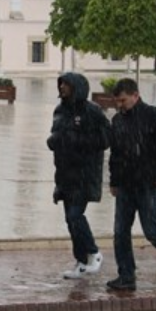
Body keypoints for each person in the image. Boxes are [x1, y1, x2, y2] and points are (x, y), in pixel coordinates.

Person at [105, 78, 156, 292]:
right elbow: (115, 154)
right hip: (125, 185)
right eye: (117, 101)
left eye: (123, 100)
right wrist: (114, 181)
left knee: (150, 229)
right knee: (120, 231)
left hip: (150, 184)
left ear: (135, 95)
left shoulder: (154, 116)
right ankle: (126, 275)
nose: (120, 105)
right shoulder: (117, 121)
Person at [47, 72, 111, 280]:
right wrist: (55, 140)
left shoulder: (92, 111)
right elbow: (57, 135)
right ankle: (81, 261)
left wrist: (77, 140)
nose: (62, 87)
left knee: (75, 215)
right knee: (70, 219)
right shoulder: (60, 110)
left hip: (85, 173)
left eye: (66, 84)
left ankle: (93, 252)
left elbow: (105, 139)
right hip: (65, 173)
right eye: (61, 84)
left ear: (76, 87)